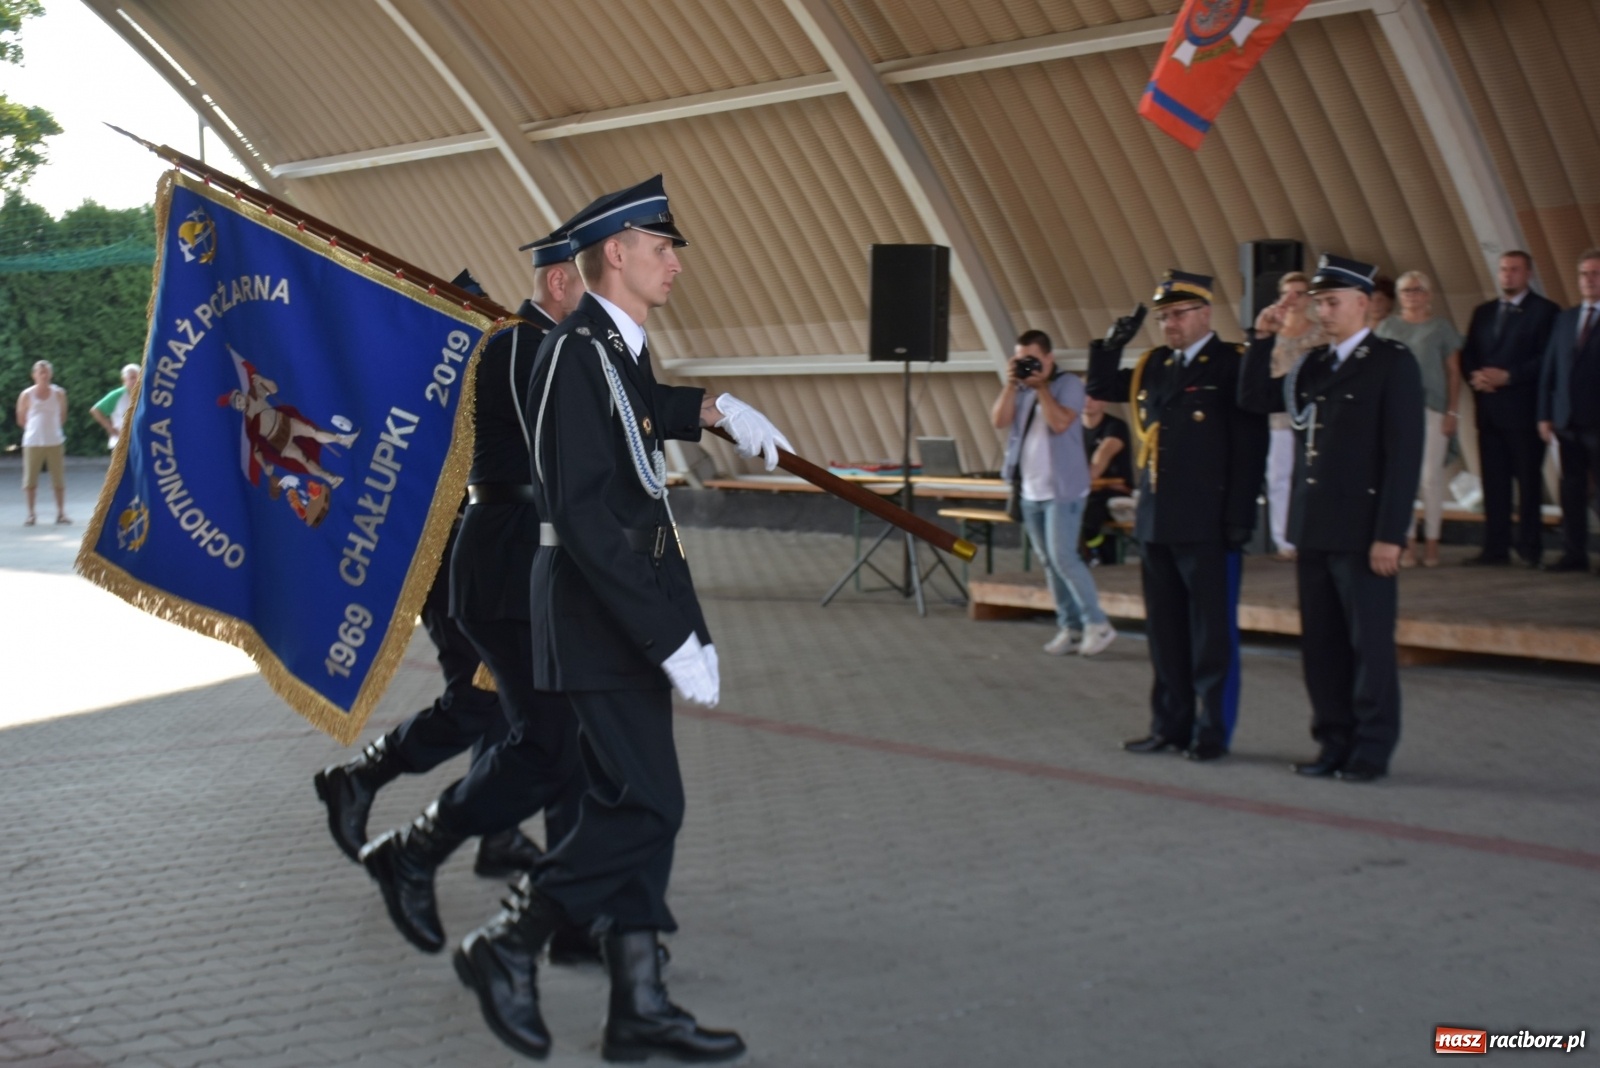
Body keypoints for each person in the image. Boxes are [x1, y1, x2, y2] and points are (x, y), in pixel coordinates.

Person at [453, 176, 791, 1063]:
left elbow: (637, 404)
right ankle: (509, 941)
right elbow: (591, 512)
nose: (674, 261)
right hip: (599, 618)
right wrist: (668, 634)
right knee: (649, 807)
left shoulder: (612, 348)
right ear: (615, 253)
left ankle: (637, 1002)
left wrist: (709, 407)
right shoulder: (575, 353)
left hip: (614, 616)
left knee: (627, 800)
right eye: (661, 246)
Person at [352, 256, 596, 962]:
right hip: (499, 573)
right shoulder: (508, 352)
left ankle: (568, 915)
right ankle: (411, 845)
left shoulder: (530, 350)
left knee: (559, 744)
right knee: (539, 740)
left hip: (533, 574)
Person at [314, 271, 545, 915]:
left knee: (503, 705)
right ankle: (359, 779)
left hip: (477, 565)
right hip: (446, 570)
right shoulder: (421, 394)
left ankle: (495, 832)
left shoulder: (471, 380)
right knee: (478, 701)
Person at [1239, 254, 1424, 782]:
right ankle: (1332, 741)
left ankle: (1371, 748)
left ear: (1363, 304)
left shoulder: (1392, 362)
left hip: (1364, 531)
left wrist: (1391, 533)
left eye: (1332, 302)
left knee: (1368, 645)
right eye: (1318, 302)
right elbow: (1254, 398)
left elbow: (1403, 453)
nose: (1323, 311)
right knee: (1322, 646)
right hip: (1315, 527)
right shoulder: (1312, 365)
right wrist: (1260, 338)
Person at [1087, 271, 1268, 761]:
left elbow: (1250, 448)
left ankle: (1212, 731)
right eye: (1165, 317)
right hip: (1157, 520)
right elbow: (1102, 387)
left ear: (1205, 313)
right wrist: (1109, 346)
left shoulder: (1232, 365)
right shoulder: (1153, 366)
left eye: (1179, 315)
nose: (1170, 325)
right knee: (1165, 635)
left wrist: (1240, 518)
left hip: (1209, 523)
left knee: (1211, 635)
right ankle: (1169, 725)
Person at [991, 330, 1115, 656]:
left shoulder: (1069, 384)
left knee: (1065, 558)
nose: (1027, 365)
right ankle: (1070, 628)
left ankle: (1097, 623)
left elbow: (1060, 423)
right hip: (1030, 491)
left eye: (1033, 359)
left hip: (1064, 489)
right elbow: (999, 421)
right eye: (1021, 360)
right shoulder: (1018, 387)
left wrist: (1041, 386)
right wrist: (1010, 384)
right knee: (1049, 562)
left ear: (1049, 358)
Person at [1459, 251, 1560, 567]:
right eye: (1503, 270)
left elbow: (1547, 360)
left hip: (1524, 411)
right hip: (1488, 411)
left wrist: (1510, 376)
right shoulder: (1484, 312)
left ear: (1528, 273)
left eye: (1514, 270)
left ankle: (1530, 547)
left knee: (1529, 483)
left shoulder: (1545, 312)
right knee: (1494, 483)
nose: (1507, 275)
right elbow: (1469, 354)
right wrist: (1476, 376)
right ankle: (1495, 548)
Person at [1376, 270, 1463, 568]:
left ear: (1427, 294)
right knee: (1402, 478)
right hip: (1396, 409)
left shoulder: (1440, 327)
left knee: (1430, 479)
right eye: (1406, 290)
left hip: (1432, 408)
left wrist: (1453, 411)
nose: (1412, 295)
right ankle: (1408, 542)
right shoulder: (1387, 326)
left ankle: (1433, 545)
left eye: (1417, 289)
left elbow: (1453, 371)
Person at [1536, 248, 1600, 574]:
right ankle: (1574, 554)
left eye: (1595, 274)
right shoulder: (1565, 318)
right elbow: (1550, 370)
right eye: (1584, 274)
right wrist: (1545, 414)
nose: (1589, 280)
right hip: (1566, 420)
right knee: (1571, 491)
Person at [1262, 272, 1324, 562]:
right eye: (1289, 293)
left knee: (1310, 476)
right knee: (1279, 476)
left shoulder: (1321, 331)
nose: (1294, 299)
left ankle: (1308, 531)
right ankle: (1283, 538)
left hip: (1313, 415)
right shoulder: (1271, 333)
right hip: (1279, 416)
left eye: (1300, 293)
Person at [16, 360, 68, 526]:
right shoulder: (26, 395)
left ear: (50, 374)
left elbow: (62, 416)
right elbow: (21, 419)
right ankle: (31, 514)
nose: (44, 375)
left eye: (46, 372)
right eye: (40, 372)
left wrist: (51, 430)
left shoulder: (59, 393)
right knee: (30, 481)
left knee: (58, 480)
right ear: (34, 375)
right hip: (32, 442)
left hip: (55, 441)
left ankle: (61, 513)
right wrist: (35, 430)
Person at [1080, 393, 1131, 564]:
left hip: (1112, 490)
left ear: (1105, 401)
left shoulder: (1115, 427)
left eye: (1094, 396)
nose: (1088, 401)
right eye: (1083, 395)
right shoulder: (1069, 428)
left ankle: (1101, 553)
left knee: (1086, 512)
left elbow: (1101, 457)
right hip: (1084, 490)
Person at [90, 364, 140, 451]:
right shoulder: (117, 395)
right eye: (132, 378)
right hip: (121, 443)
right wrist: (109, 428)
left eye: (137, 378)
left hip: (139, 442)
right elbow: (95, 410)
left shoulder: (144, 395)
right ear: (124, 380)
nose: (135, 381)